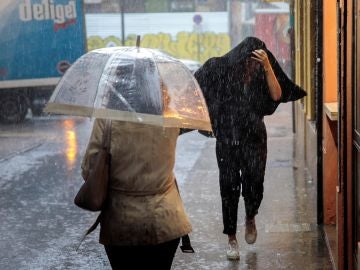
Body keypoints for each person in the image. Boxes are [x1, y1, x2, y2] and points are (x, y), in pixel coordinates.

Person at [194, 36, 306, 260]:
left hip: (254, 139)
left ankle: (251, 216)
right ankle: (232, 239)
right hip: (227, 139)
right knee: (229, 188)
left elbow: (277, 95)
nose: (253, 65)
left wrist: (266, 66)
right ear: (241, 58)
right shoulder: (222, 71)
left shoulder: (261, 74)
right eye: (251, 60)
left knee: (254, 182)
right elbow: (199, 90)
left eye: (258, 60)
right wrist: (209, 122)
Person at [81, 119, 192, 270]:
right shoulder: (170, 116)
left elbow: (89, 170)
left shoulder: (107, 119)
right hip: (165, 219)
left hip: (121, 221)